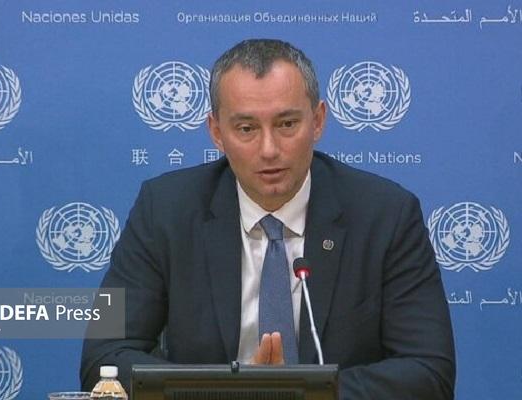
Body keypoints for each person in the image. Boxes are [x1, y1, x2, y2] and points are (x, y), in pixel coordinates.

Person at [81, 39, 455, 399]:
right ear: (216, 132)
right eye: (246, 129)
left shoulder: (386, 215)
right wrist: (235, 393)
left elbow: (429, 372)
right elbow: (103, 358)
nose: (269, 149)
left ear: (318, 121)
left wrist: (299, 393)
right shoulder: (164, 210)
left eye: (287, 124)